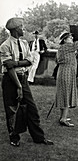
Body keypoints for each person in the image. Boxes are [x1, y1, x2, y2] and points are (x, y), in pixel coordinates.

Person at [0, 17, 53, 147]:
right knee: (12, 109)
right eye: (22, 27)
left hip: (23, 78)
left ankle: (39, 137)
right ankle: (14, 137)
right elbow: (9, 67)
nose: (24, 29)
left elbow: (30, 61)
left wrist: (16, 63)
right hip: (11, 80)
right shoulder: (5, 46)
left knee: (32, 109)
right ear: (16, 29)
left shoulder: (24, 43)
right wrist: (18, 86)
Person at [55, 28, 78, 127]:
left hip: (63, 72)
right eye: (70, 37)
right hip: (67, 73)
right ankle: (64, 119)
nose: (72, 38)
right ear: (65, 40)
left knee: (63, 95)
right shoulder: (67, 46)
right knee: (66, 95)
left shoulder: (62, 48)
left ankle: (62, 116)